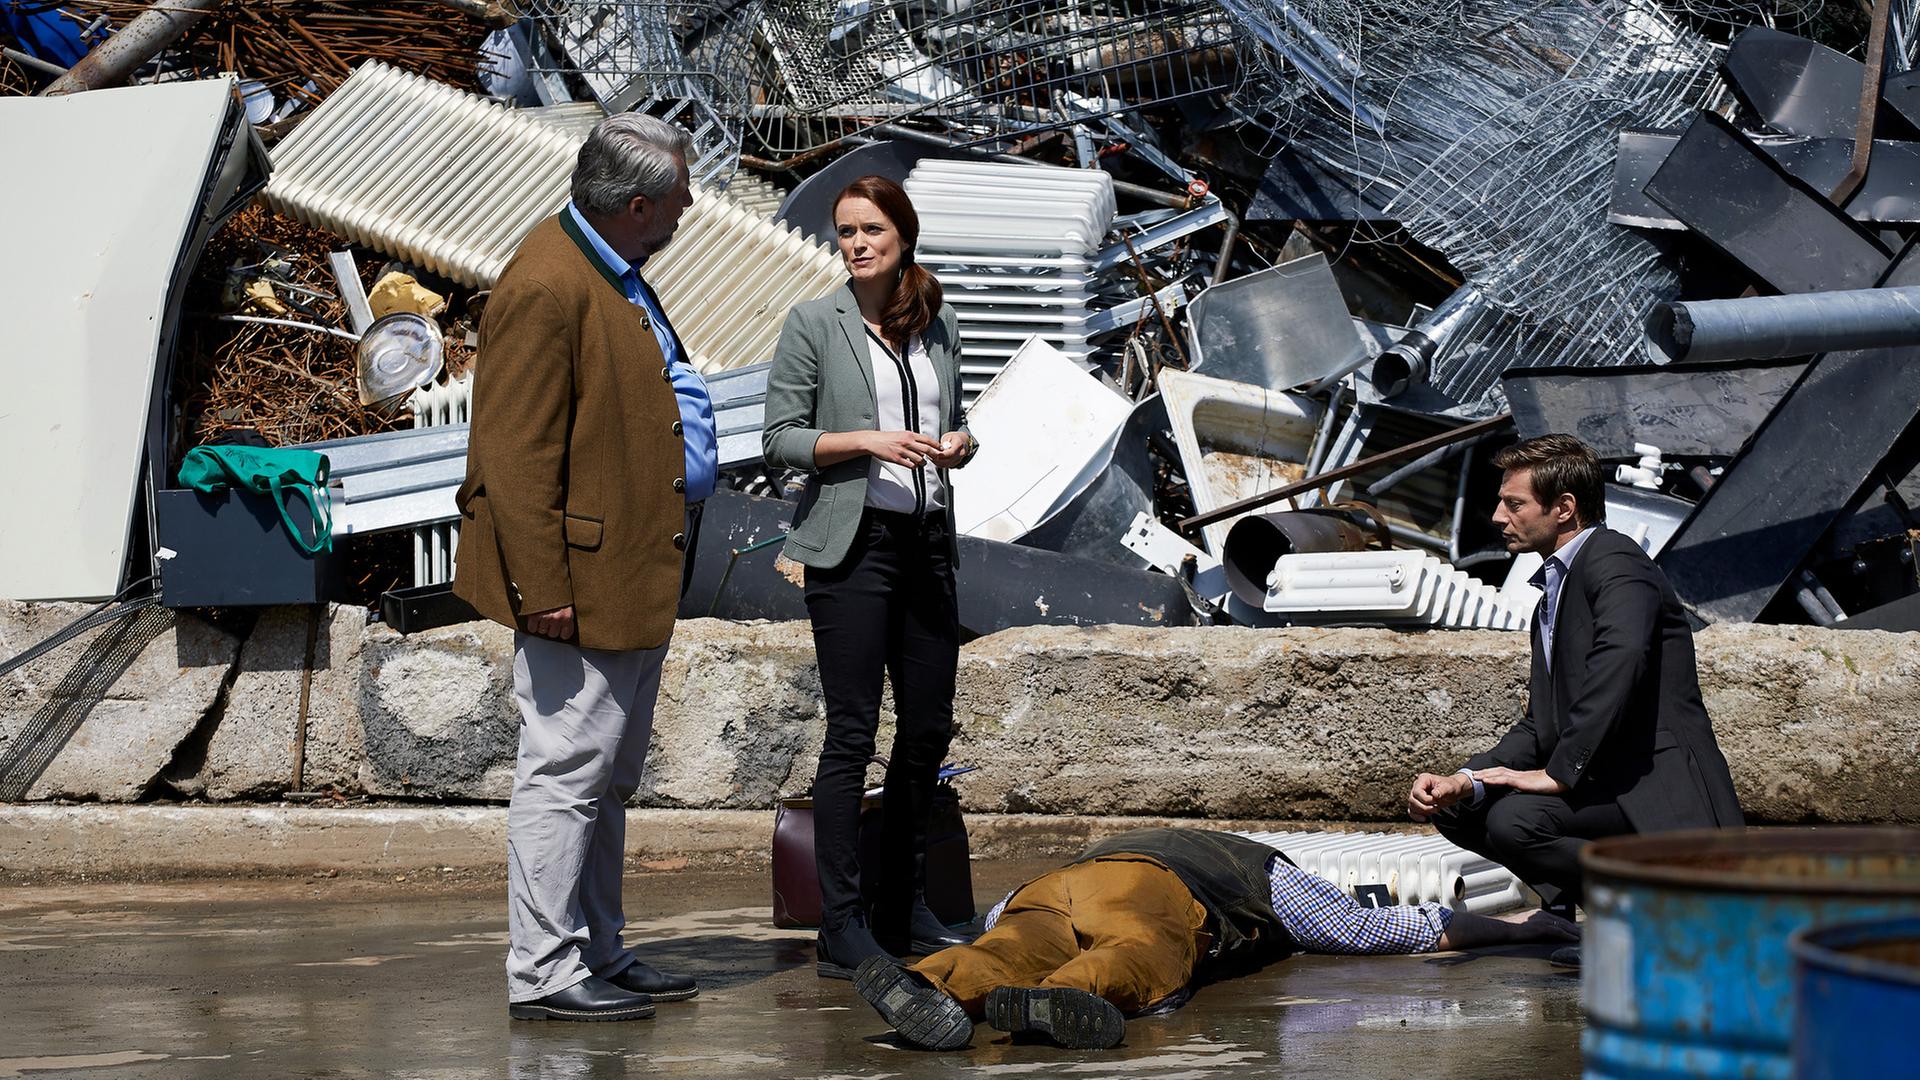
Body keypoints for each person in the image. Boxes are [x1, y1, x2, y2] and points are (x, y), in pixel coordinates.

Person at [454, 112, 715, 1022]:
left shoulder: (611, 267)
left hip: (630, 575)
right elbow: (515, 459)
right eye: (679, 199)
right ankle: (544, 969)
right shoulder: (547, 285)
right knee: (564, 779)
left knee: (603, 779)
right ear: (636, 204)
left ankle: (595, 946)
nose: (688, 212)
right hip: (577, 587)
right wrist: (545, 593)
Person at [1406, 433, 1742, 961]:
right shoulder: (1556, 585)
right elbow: (1541, 722)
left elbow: (1622, 657)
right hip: (1603, 786)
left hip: (1650, 790)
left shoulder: (1616, 560)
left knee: (1515, 821)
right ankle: (1580, 921)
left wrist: (1560, 771)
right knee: (1461, 810)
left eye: (1513, 503)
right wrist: (1464, 780)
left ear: (1564, 509)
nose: (1497, 516)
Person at [762, 175, 981, 979]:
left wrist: (960, 444)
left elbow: (957, 425)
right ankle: (843, 925)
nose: (856, 243)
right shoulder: (815, 323)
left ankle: (905, 906)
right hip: (851, 550)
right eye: (845, 231)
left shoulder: (937, 319)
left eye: (871, 230)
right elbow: (780, 438)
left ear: (904, 236)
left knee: (926, 728)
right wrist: (865, 441)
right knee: (852, 732)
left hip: (926, 541)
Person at [851, 827, 1577, 1051]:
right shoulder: (1268, 872)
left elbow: (1001, 912)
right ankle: (1057, 1000)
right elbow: (1373, 927)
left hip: (1050, 886)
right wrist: (1517, 926)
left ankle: (935, 983)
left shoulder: (1137, 834)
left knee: (1008, 944)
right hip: (1156, 893)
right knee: (1138, 952)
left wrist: (1006, 924)